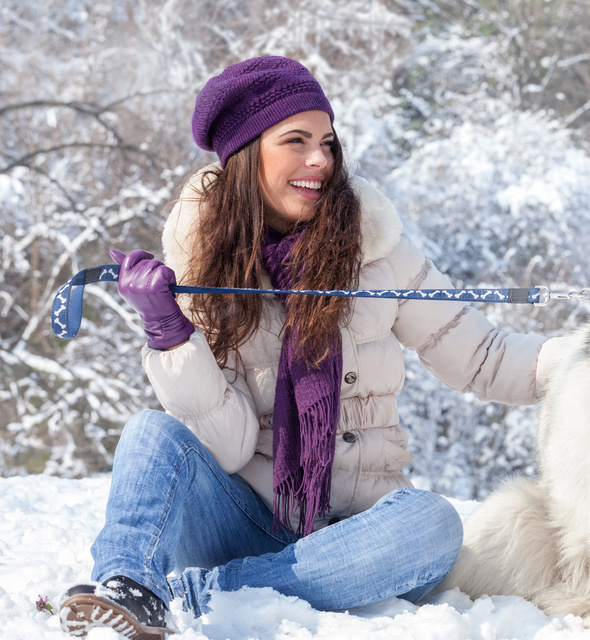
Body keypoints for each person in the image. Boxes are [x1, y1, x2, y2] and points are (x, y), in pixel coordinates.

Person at [58, 56, 559, 639]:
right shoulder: (203, 268)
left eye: (326, 141)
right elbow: (228, 443)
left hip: (360, 533)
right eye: (295, 141)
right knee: (151, 433)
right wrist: (173, 337)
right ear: (246, 156)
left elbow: (485, 357)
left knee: (434, 522)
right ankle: (126, 587)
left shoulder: (376, 250)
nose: (319, 160)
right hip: (246, 516)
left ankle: (200, 594)